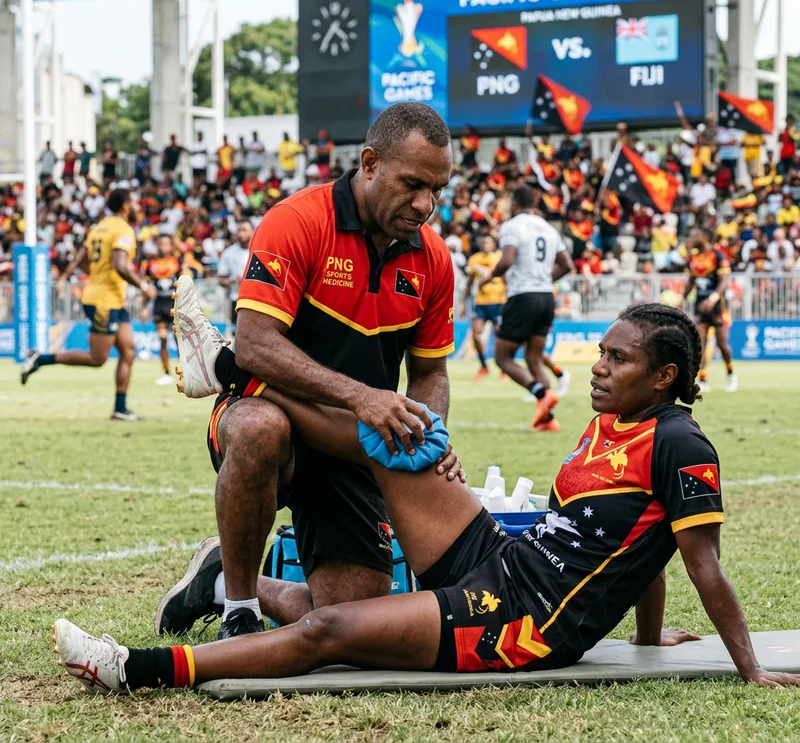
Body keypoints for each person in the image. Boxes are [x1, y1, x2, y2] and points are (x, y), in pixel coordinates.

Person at [53, 303, 800, 694]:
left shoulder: (681, 444)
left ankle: (136, 668)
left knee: (333, 629)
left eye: (617, 358)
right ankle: (230, 371)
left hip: (520, 619)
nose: (598, 367)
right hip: (500, 559)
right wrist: (642, 639)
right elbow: (631, 547)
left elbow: (698, 560)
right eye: (601, 353)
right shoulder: (607, 426)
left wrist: (748, 667)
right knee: (403, 437)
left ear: (665, 377)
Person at [159, 103, 464, 641]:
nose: (426, 205)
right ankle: (241, 610)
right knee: (258, 428)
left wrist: (429, 431)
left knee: (358, 620)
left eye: (437, 189)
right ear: (369, 163)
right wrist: (361, 397)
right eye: (413, 184)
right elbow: (255, 341)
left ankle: (215, 582)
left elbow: (430, 373)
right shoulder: (296, 221)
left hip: (351, 445)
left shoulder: (434, 259)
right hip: (268, 414)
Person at [20, 189, 155, 420]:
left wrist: (98, 276)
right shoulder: (122, 229)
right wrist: (144, 287)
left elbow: (80, 259)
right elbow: (121, 266)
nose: (137, 206)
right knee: (97, 358)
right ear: (124, 205)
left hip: (109, 298)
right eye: (134, 202)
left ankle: (120, 409)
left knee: (129, 350)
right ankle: (39, 359)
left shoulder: (99, 227)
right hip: (104, 302)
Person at [481, 185, 573, 432]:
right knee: (534, 359)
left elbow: (508, 259)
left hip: (522, 296)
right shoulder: (549, 228)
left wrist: (489, 277)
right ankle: (548, 419)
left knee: (502, 357)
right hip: (546, 297)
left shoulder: (512, 225)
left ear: (514, 202)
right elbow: (566, 265)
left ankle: (541, 394)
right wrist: (542, 280)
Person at [682, 227, 736, 393]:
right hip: (700, 308)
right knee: (700, 343)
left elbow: (725, 280)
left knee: (722, 344)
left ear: (705, 236)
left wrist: (712, 298)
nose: (692, 238)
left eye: (695, 234)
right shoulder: (694, 258)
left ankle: (730, 374)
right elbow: (691, 280)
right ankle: (703, 380)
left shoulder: (718, 256)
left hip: (717, 308)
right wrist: (682, 298)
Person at [140, 234, 186, 385]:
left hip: (174, 304)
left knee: (178, 340)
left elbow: (184, 282)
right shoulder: (150, 263)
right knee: (162, 338)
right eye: (161, 244)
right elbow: (146, 287)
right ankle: (166, 373)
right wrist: (144, 307)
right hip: (159, 305)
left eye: (166, 244)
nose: (163, 247)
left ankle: (184, 373)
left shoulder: (177, 261)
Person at [462, 234, 506, 380]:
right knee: (475, 334)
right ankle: (484, 366)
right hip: (480, 302)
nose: (486, 244)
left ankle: (504, 369)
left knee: (500, 335)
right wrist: (464, 301)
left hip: (498, 301)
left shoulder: (500, 257)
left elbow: (506, 278)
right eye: (484, 242)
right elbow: (470, 281)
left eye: (489, 242)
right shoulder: (475, 259)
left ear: (494, 244)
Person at [216, 221, 254, 338]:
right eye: (239, 230)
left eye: (244, 230)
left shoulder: (259, 250)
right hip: (236, 300)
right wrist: (233, 282)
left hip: (256, 299)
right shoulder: (229, 253)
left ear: (253, 232)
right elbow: (221, 279)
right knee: (237, 334)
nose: (241, 233)